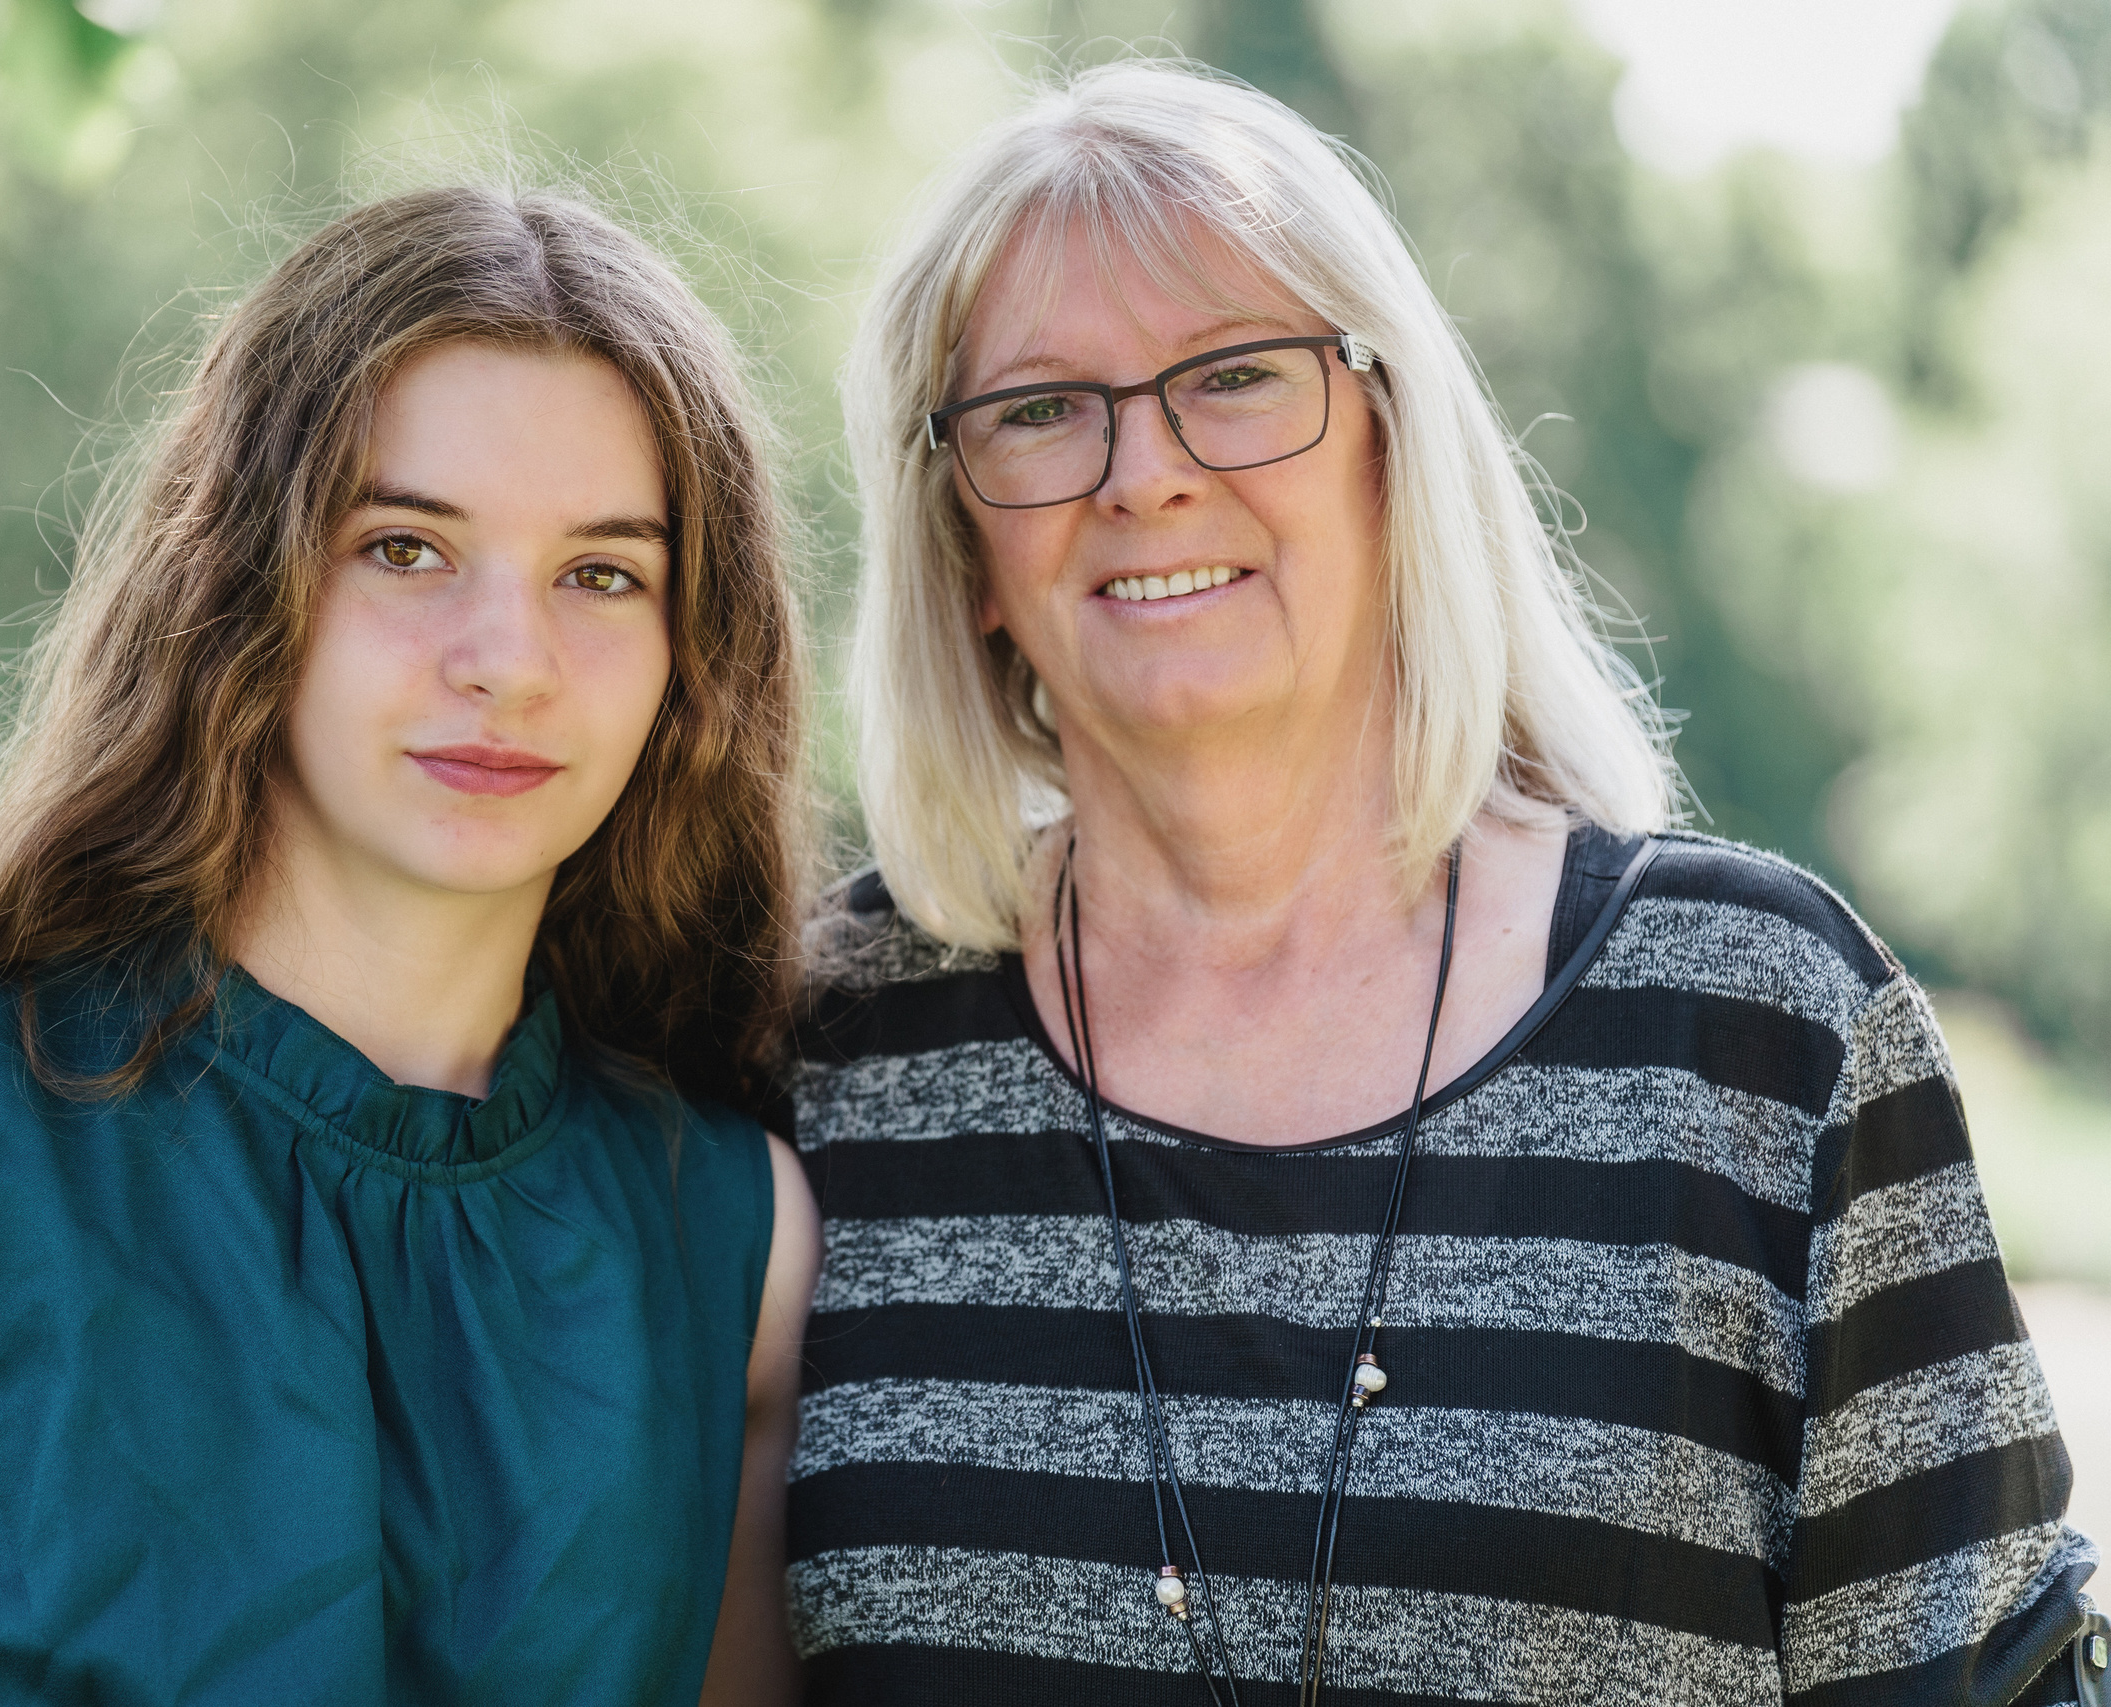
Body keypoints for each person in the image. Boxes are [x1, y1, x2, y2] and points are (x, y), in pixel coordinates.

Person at [777, 61, 2102, 1706]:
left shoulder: (1759, 1031)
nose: (1143, 473)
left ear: (1391, 451)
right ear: (961, 546)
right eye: (1039, 409)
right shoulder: (825, 1055)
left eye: (1238, 375)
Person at [0, 185, 821, 1706]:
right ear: (245, 586)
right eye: (405, 548)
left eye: (603, 574)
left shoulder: (733, 1241)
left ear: (690, 658)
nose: (509, 662)